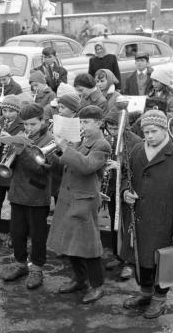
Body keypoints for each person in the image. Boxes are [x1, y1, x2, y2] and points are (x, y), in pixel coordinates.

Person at [122, 109, 173, 319]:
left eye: (153, 131)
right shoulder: (136, 151)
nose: (149, 136)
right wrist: (126, 191)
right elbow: (127, 176)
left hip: (164, 220)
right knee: (141, 259)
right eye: (145, 131)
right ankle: (145, 292)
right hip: (139, 218)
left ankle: (159, 299)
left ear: (164, 130)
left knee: (162, 261)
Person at [47, 105, 111, 304]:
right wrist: (50, 154)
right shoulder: (82, 141)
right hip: (70, 199)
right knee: (70, 242)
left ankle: (97, 285)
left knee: (88, 245)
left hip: (84, 200)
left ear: (99, 123)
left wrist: (65, 148)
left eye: (86, 122)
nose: (82, 126)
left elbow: (86, 167)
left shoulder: (102, 145)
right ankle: (80, 280)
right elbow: (67, 166)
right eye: (81, 122)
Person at [0, 103, 53, 289]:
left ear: (43, 121)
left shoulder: (49, 141)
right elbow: (11, 165)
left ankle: (37, 269)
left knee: (38, 236)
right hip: (17, 193)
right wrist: (8, 150)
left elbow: (42, 169)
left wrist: (22, 151)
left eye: (33, 124)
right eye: (26, 125)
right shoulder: (22, 136)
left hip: (37, 196)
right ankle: (20, 264)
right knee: (17, 233)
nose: (28, 129)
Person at [102, 107, 142, 280]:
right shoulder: (109, 139)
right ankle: (118, 255)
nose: (111, 131)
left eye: (114, 128)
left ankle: (130, 262)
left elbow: (138, 167)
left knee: (128, 226)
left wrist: (120, 166)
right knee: (115, 225)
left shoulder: (135, 141)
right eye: (109, 128)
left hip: (127, 189)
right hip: (113, 189)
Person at [0, 95, 24, 241]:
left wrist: (10, 140)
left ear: (18, 111)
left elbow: (23, 144)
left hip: (13, 168)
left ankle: (15, 235)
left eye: (10, 111)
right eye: (4, 110)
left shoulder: (23, 124)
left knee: (15, 204)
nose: (6, 114)